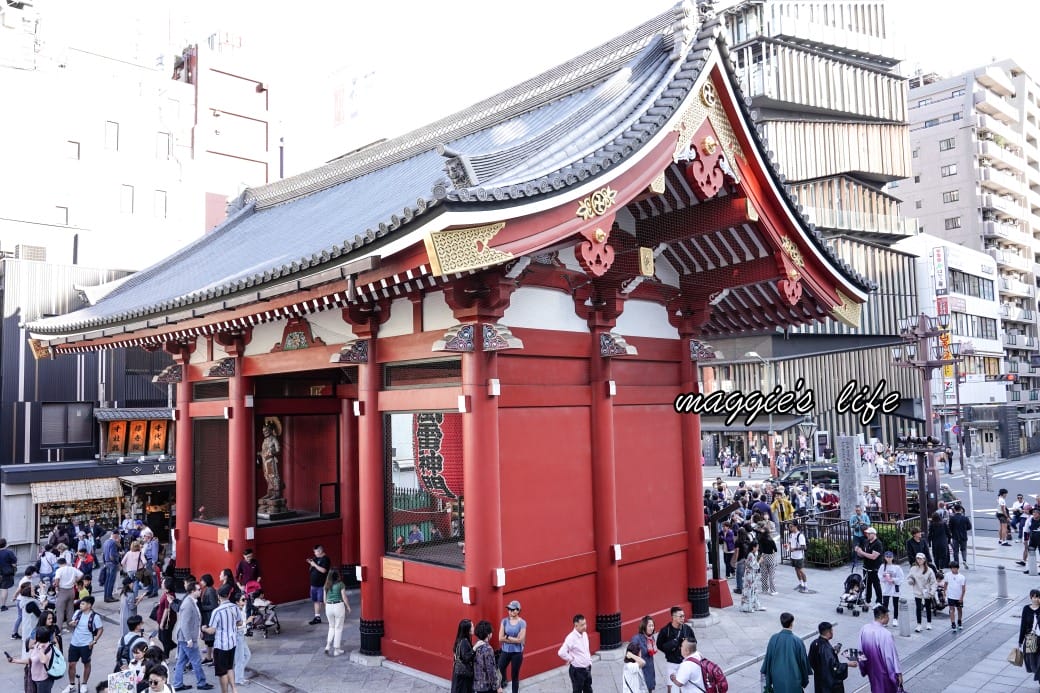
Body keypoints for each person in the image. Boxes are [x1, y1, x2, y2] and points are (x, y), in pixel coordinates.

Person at [171, 580, 214, 691]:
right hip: (187, 638)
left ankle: (177, 684)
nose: (200, 591)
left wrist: (198, 631)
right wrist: (189, 639)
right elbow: (184, 624)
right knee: (196, 661)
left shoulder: (191, 601)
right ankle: (201, 683)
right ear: (192, 591)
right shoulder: (188, 604)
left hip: (185, 637)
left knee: (181, 662)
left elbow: (194, 620)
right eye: (198, 590)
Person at [201, 583, 240, 693]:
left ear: (218, 596)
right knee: (230, 667)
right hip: (232, 643)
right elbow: (240, 622)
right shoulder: (235, 607)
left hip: (221, 645)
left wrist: (204, 629)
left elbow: (212, 630)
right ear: (228, 595)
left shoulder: (217, 611)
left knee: (222, 673)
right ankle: (234, 689)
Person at [761, 612, 810, 693]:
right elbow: (803, 662)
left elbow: (768, 659)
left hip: (777, 678)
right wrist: (804, 679)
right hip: (794, 679)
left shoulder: (774, 638)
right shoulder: (798, 641)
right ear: (792, 623)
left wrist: (769, 681)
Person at [858, 605, 903, 693]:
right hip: (883, 671)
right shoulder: (886, 634)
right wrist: (897, 673)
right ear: (883, 616)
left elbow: (860, 650)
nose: (889, 618)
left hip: (870, 668)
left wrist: (863, 666)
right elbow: (890, 657)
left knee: (875, 688)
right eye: (888, 615)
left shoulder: (864, 628)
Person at [67, 595, 104, 693]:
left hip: (86, 644)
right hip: (74, 643)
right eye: (81, 603)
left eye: (83, 604)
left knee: (86, 663)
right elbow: (72, 623)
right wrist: (72, 624)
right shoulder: (77, 613)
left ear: (89, 605)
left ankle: (84, 684)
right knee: (71, 664)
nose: (80, 605)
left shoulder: (95, 617)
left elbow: (100, 629)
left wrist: (94, 641)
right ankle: (71, 685)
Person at [807, 621, 855, 692]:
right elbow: (834, 667)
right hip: (829, 685)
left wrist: (833, 653)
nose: (833, 632)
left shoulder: (814, 643)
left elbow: (811, 661)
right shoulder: (827, 649)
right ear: (829, 632)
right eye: (832, 630)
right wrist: (848, 664)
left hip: (819, 680)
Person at [657, 606, 696, 691]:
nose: (683, 618)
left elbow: (694, 643)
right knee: (671, 688)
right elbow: (659, 645)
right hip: (672, 663)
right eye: (680, 616)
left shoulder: (687, 629)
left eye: (683, 616)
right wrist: (669, 650)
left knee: (686, 688)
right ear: (673, 617)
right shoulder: (665, 630)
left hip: (685, 663)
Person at [7, 626, 55, 693]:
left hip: (43, 679)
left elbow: (43, 660)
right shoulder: (38, 644)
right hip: (35, 677)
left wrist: (40, 650)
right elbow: (31, 659)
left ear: (39, 637)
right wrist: (14, 660)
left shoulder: (48, 648)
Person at [558, 614, 592, 693]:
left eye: (585, 623)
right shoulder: (571, 638)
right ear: (576, 625)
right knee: (577, 691)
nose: (585, 626)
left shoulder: (585, 634)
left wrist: (589, 662)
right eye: (582, 625)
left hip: (587, 668)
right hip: (577, 671)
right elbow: (561, 652)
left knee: (588, 690)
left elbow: (586, 650)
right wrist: (571, 659)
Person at [498, 600, 526, 693]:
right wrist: (514, 639)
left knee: (515, 676)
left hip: (517, 653)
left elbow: (520, 640)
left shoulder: (522, 623)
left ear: (518, 610)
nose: (510, 611)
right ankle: (499, 688)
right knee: (499, 670)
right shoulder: (504, 621)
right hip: (505, 651)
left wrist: (507, 636)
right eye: (509, 609)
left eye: (512, 609)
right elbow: (500, 638)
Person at [322, 569, 351, 657]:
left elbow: (324, 600)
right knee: (338, 628)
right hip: (338, 606)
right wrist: (348, 607)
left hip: (328, 606)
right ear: (337, 575)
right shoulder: (341, 584)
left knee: (331, 627)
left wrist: (328, 606)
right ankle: (336, 649)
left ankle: (327, 646)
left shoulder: (326, 585)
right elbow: (344, 597)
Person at [853, 527, 883, 607]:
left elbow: (873, 556)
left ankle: (879, 601)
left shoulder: (878, 544)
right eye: (867, 533)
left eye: (869, 534)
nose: (867, 535)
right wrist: (858, 551)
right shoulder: (866, 542)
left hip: (874, 568)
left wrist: (862, 552)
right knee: (867, 585)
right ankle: (867, 601)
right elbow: (863, 555)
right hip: (866, 567)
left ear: (874, 534)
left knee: (876, 585)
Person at [906, 552, 936, 633]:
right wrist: (911, 581)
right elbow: (909, 577)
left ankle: (929, 623)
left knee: (928, 607)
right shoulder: (913, 568)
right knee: (918, 608)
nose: (919, 560)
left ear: (924, 560)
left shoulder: (929, 570)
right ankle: (919, 624)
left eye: (920, 559)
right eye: (918, 558)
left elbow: (934, 582)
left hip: (927, 591)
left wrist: (932, 591)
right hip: (917, 590)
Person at [52, 557, 83, 631]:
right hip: (71, 590)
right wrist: (75, 581)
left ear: (59, 564)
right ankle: (70, 627)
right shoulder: (72, 568)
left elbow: (57, 579)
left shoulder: (59, 570)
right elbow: (81, 574)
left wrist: (56, 586)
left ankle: (58, 629)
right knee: (70, 610)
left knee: (60, 611)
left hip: (62, 591)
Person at [472, 620, 502, 693]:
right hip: (487, 686)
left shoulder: (475, 646)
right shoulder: (488, 649)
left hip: (478, 685)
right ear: (488, 634)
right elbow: (491, 670)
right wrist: (498, 686)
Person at [630, 615, 656, 692]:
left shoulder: (651, 638)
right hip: (640, 670)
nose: (652, 628)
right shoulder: (636, 639)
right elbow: (631, 655)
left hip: (649, 669)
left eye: (652, 625)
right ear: (644, 626)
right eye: (649, 626)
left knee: (649, 688)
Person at [306, 545, 331, 625]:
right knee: (316, 601)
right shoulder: (315, 558)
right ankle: (317, 617)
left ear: (320, 551)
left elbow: (323, 570)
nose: (314, 553)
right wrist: (311, 563)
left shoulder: (325, 559)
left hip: (321, 585)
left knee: (323, 601)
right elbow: (312, 567)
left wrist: (315, 565)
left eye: (315, 552)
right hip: (313, 584)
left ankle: (331, 617)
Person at [879, 551, 904, 627]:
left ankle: (895, 619)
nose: (889, 558)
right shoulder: (882, 566)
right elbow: (880, 576)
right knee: (885, 604)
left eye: (890, 557)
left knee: (895, 604)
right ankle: (885, 619)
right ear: (885, 557)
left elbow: (901, 577)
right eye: (887, 557)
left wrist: (893, 579)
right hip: (886, 587)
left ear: (892, 558)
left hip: (894, 587)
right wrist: (885, 577)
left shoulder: (897, 567)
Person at [1020, 589, 1040, 683]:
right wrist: (1020, 641)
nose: (1035, 599)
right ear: (1030, 597)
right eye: (1034, 597)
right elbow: (1023, 625)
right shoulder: (1026, 609)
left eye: (1038, 597)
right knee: (1033, 661)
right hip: (1031, 638)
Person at [740, 541, 766, 613]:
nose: (758, 548)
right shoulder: (750, 555)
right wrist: (760, 561)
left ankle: (755, 605)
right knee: (749, 591)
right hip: (750, 575)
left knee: (754, 590)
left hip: (752, 574)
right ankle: (748, 607)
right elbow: (754, 565)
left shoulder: (752, 554)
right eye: (757, 547)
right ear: (753, 547)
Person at [451, 619, 475, 693]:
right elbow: (466, 658)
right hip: (464, 676)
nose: (474, 628)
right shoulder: (464, 641)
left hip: (459, 674)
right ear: (467, 630)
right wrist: (474, 649)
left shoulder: (460, 640)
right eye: (472, 626)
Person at [232, 591, 251, 686]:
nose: (245, 601)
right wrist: (247, 621)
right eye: (243, 600)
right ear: (237, 602)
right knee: (240, 659)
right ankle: (238, 679)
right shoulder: (236, 611)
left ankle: (237, 675)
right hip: (237, 635)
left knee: (247, 655)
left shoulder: (242, 609)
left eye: (245, 599)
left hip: (241, 635)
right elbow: (236, 625)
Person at [785, 521, 809, 593]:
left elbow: (804, 547)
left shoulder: (800, 535)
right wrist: (787, 546)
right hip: (793, 556)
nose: (790, 528)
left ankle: (806, 586)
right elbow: (789, 543)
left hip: (799, 556)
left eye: (791, 526)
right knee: (796, 570)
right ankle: (801, 584)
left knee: (801, 571)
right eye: (789, 527)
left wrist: (794, 549)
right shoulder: (791, 535)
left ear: (795, 526)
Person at [944, 561, 966, 631]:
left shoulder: (962, 577)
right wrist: (944, 592)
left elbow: (963, 589)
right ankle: (953, 623)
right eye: (952, 568)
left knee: (959, 609)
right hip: (951, 596)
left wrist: (961, 598)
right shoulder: (947, 575)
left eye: (954, 568)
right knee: (951, 610)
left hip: (958, 597)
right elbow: (945, 584)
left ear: (957, 568)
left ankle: (959, 621)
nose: (953, 569)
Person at [101, 531, 121, 603]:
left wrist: (105, 562)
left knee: (107, 581)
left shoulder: (106, 542)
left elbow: (103, 554)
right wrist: (117, 563)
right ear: (115, 535)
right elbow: (112, 555)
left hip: (107, 563)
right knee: (111, 581)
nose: (118, 537)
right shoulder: (113, 543)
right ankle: (109, 597)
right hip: (112, 563)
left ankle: (106, 597)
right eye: (118, 535)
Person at [759, 526, 779, 596]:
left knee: (764, 575)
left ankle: (764, 590)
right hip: (770, 557)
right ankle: (773, 591)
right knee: (771, 575)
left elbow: (760, 549)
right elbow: (775, 549)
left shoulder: (760, 539)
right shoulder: (771, 540)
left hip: (763, 556)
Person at [0, 538, 17, 610]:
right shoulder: (9, 552)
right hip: (5, 573)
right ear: (6, 544)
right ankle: (3, 606)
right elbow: (14, 563)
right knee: (4, 589)